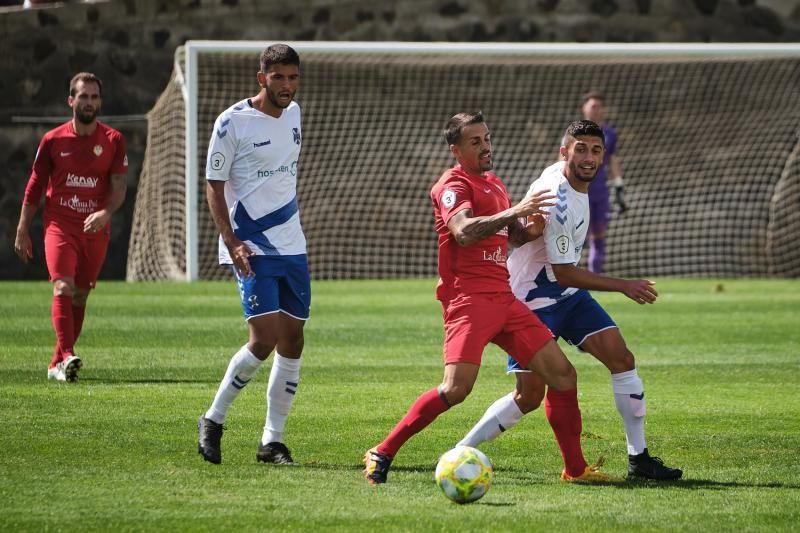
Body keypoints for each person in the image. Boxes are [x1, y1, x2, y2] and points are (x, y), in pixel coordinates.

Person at [363, 111, 622, 485]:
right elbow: (464, 232)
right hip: (468, 300)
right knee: (456, 389)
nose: (486, 146)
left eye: (487, 138)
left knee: (563, 375)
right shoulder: (452, 184)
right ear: (456, 149)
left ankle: (576, 470)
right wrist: (514, 211)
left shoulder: (495, 183)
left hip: (504, 297)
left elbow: (512, 236)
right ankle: (383, 450)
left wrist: (533, 226)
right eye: (475, 141)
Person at [457, 120, 683, 480]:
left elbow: (547, 253)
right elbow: (565, 271)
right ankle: (460, 452)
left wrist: (529, 228)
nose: (589, 157)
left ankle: (638, 459)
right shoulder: (560, 198)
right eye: (581, 149)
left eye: (596, 150)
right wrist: (623, 285)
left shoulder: (569, 181)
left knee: (622, 358)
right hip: (532, 298)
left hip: (566, 295)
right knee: (528, 397)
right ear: (564, 152)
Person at [197, 44, 309, 466]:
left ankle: (272, 441)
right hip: (251, 245)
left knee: (293, 340)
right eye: (278, 77)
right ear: (261, 77)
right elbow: (214, 183)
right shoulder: (232, 122)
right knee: (264, 339)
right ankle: (213, 418)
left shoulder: (295, 114)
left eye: (292, 77)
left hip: (292, 245)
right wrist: (231, 241)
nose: (286, 85)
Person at [14, 72, 128, 382]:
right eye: (83, 96)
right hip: (60, 226)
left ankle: (57, 363)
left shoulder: (113, 140)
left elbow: (119, 186)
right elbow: (35, 185)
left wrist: (105, 213)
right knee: (62, 286)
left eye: (93, 97)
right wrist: (23, 227)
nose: (89, 102)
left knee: (79, 295)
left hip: (95, 230)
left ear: (99, 101)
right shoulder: (52, 140)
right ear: (71, 101)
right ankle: (67, 355)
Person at [580, 91, 626, 273]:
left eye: (600, 107)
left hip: (600, 192)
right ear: (584, 108)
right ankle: (567, 282)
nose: (597, 110)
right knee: (575, 237)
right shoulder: (575, 132)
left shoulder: (609, 134)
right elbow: (563, 160)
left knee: (599, 237)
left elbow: (613, 161)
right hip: (579, 192)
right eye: (593, 106)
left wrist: (620, 189)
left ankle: (594, 278)